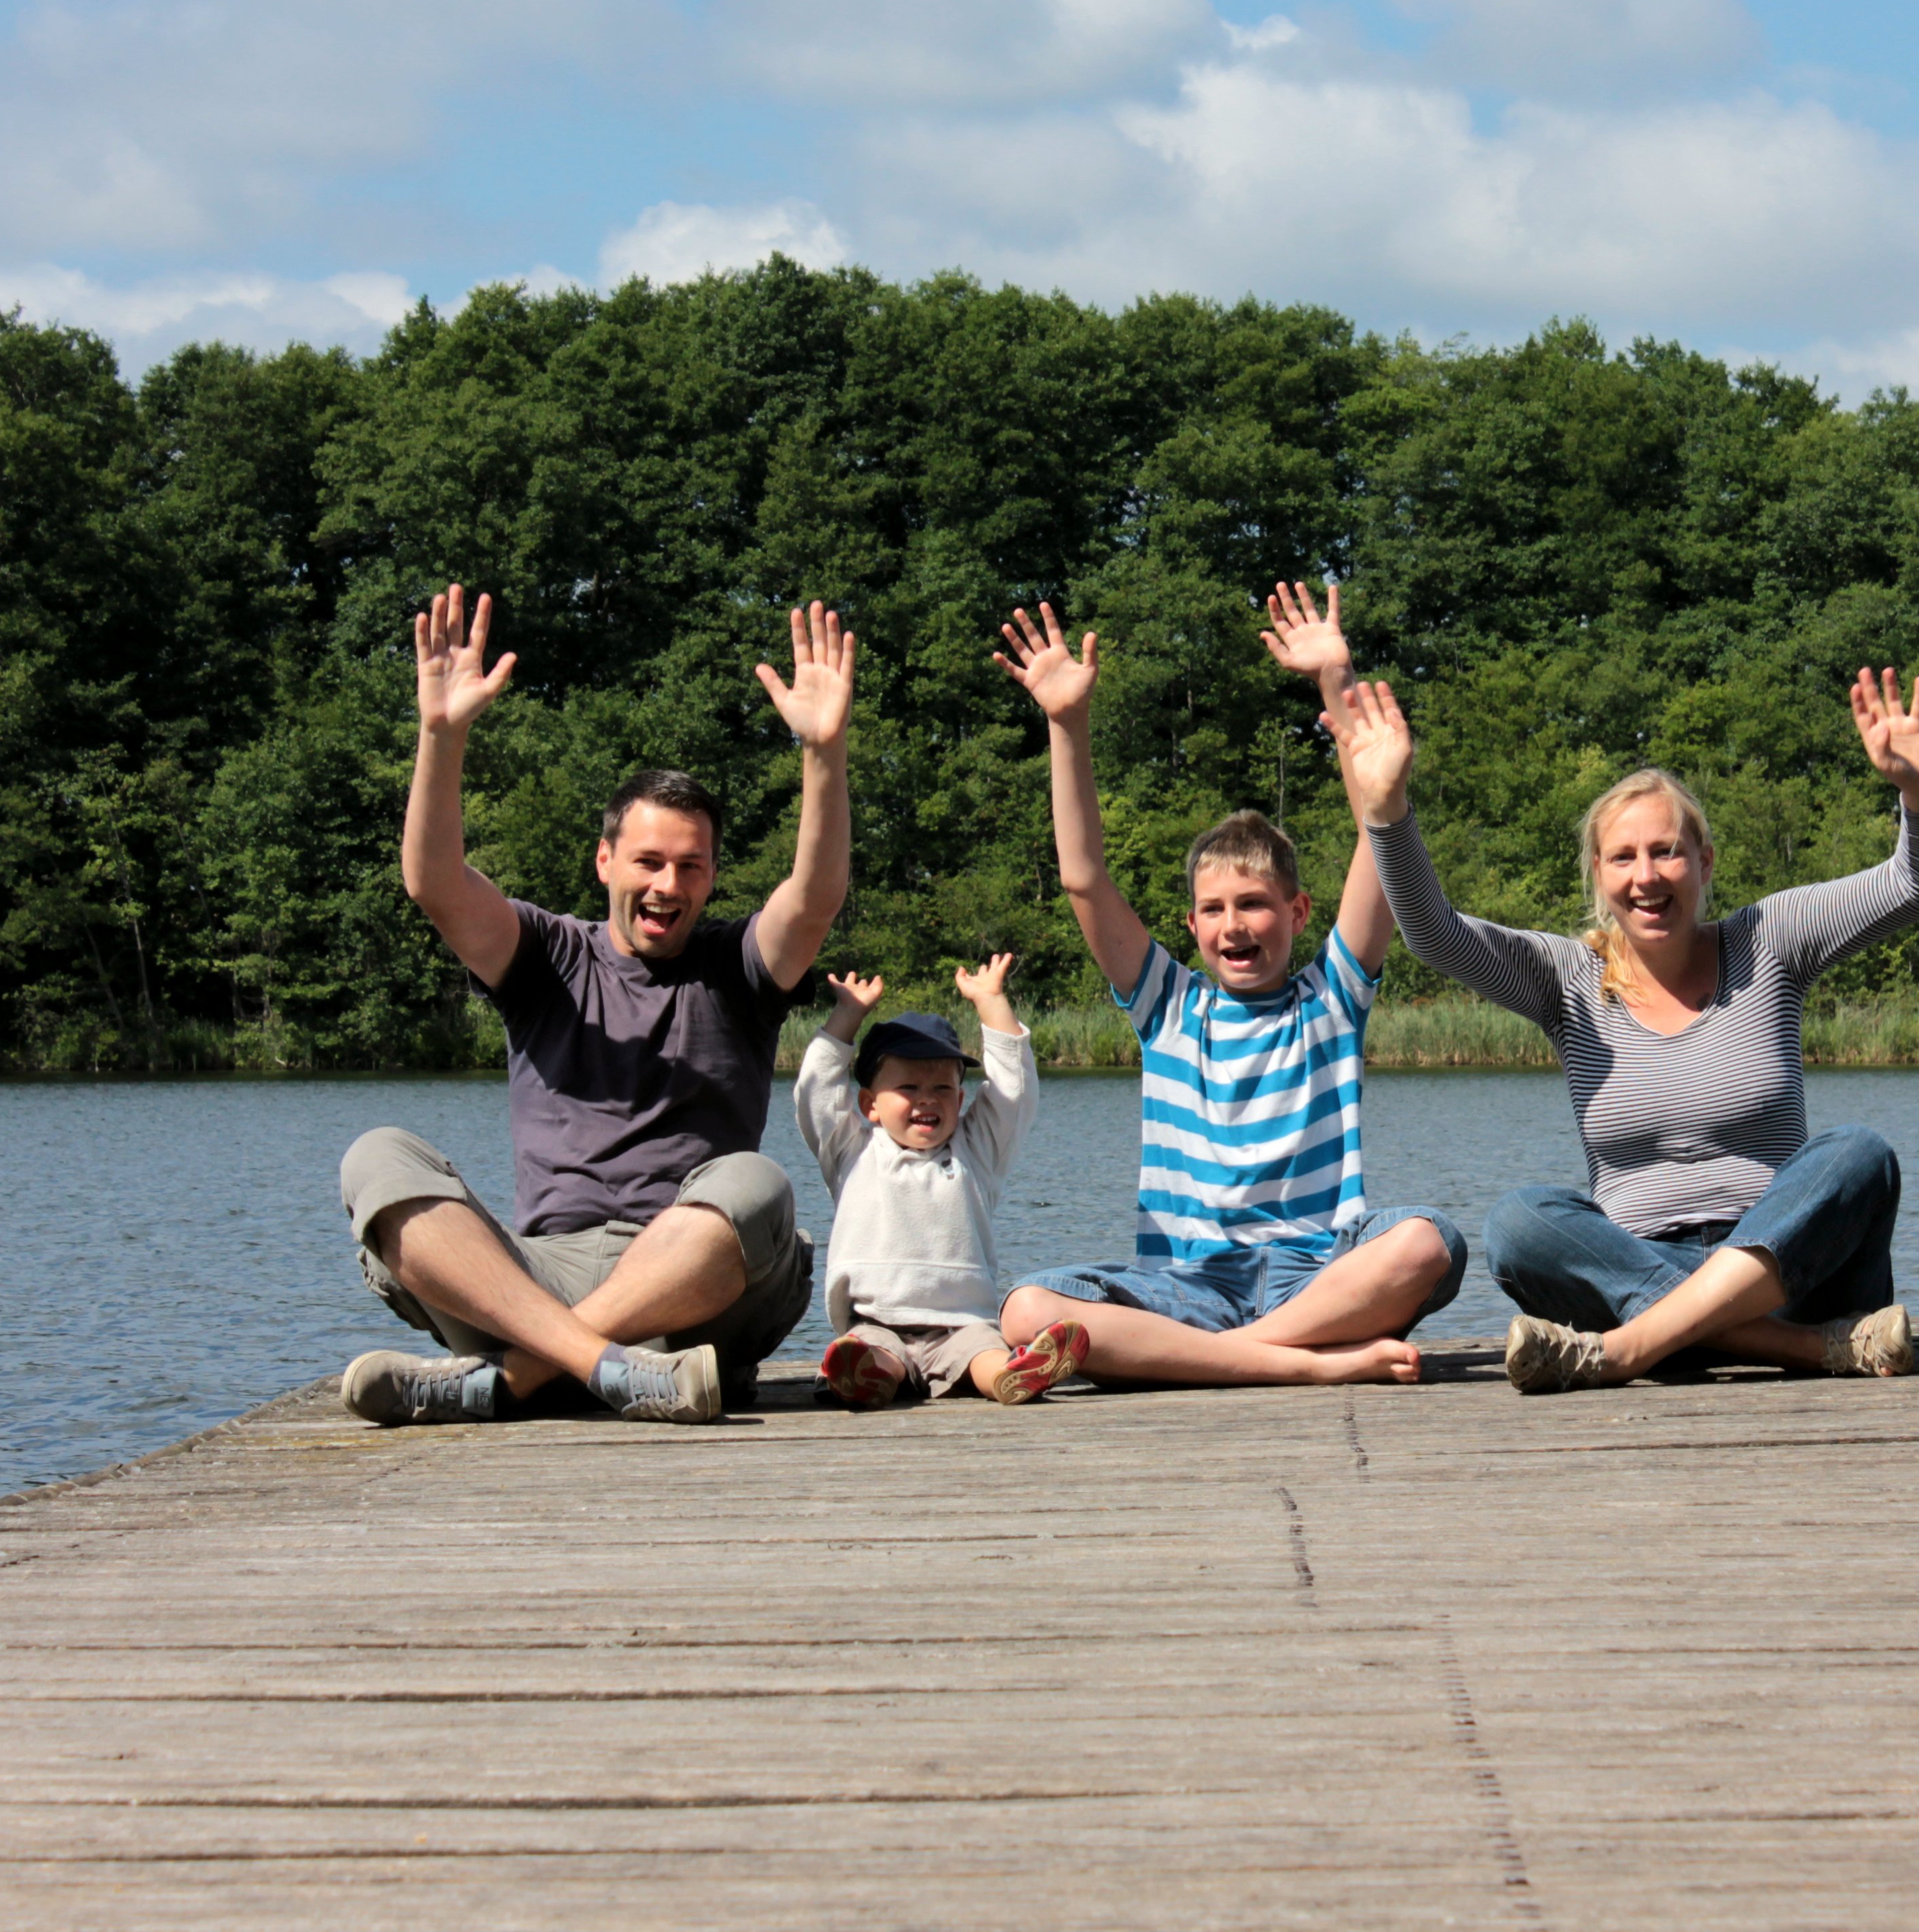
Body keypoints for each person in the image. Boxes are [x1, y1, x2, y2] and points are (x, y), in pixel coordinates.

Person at [1326, 663, 1919, 1394]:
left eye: (1666, 851)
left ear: (1704, 862)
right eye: (1623, 857)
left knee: (1859, 1156)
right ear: (1598, 875)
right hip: (1630, 1266)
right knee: (1517, 1224)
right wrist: (1388, 810)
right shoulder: (1567, 978)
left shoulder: (1772, 939)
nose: (1647, 875)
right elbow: (1434, 935)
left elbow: (1918, 884)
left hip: (1791, 1272)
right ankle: (1801, 1350)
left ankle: (1634, 1351)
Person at [333, 583, 850, 1426]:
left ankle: (512, 1382)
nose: (668, 884)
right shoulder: (546, 957)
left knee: (757, 1186)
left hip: (698, 1277)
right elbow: (434, 885)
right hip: (537, 1276)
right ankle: (608, 1367)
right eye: (648, 861)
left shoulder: (738, 968)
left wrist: (823, 755)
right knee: (377, 1160)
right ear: (605, 861)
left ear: (713, 877)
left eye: (691, 867)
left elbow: (815, 899)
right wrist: (441, 734)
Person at [986, 580, 1466, 1386]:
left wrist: (1335, 681)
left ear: (1297, 909)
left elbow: (1379, 831)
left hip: (1317, 1276)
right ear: (1192, 926)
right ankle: (1296, 1366)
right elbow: (1084, 880)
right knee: (1026, 1311)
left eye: (1254, 904)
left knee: (1429, 1243)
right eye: (1214, 909)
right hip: (1187, 1282)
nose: (1235, 925)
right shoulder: (1168, 1007)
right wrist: (1066, 723)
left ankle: (1230, 1359)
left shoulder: (1330, 1000)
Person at [794, 955, 1089, 1408]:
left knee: (985, 1355)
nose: (926, 1100)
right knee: (873, 1355)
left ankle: (1015, 1375)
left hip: (962, 1323)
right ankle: (866, 1379)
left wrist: (991, 1002)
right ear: (870, 1103)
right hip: (877, 1322)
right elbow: (815, 1090)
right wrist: (847, 1015)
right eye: (908, 1088)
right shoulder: (852, 1151)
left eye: (942, 1089)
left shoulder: (976, 1150)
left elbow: (1015, 1090)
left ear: (961, 1097)